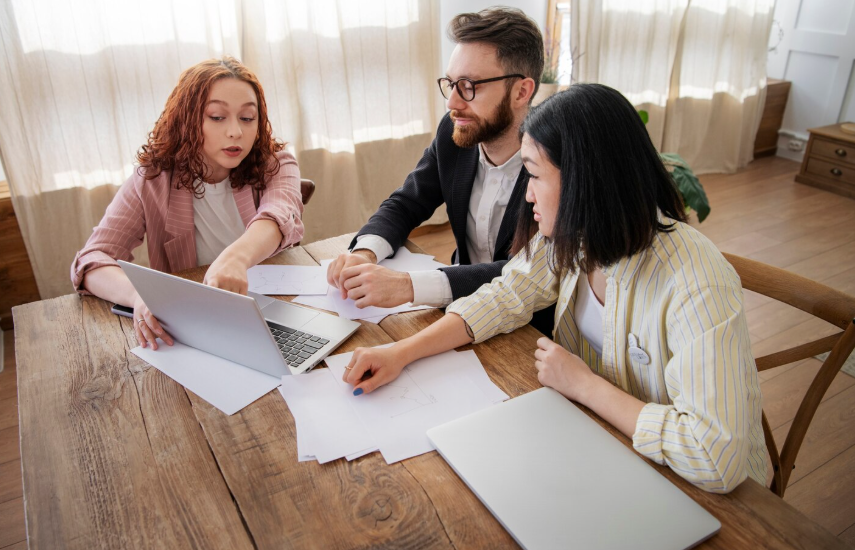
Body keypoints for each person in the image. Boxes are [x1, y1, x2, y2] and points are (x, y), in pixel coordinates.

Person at [341, 85, 769, 494]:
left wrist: (584, 385)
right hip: (598, 442)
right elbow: (504, 296)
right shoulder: (574, 235)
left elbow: (715, 456)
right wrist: (400, 353)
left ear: (587, 181)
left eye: (533, 175)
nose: (527, 195)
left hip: (701, 490)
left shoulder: (696, 281)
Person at [326, 7, 555, 335]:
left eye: (469, 86)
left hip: (528, 327)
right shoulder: (454, 135)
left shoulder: (551, 166)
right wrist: (364, 253)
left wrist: (409, 286)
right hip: (455, 310)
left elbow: (526, 274)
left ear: (522, 91)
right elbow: (406, 203)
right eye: (450, 84)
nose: (452, 102)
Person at [72, 57, 303, 350]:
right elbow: (91, 261)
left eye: (247, 118)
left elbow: (279, 216)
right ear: (188, 119)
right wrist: (140, 297)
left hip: (273, 315)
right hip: (193, 328)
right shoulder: (153, 179)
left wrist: (235, 260)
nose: (236, 132)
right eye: (217, 117)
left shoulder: (278, 164)